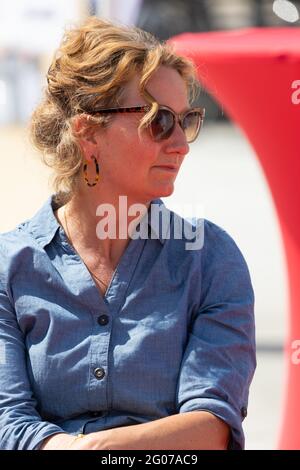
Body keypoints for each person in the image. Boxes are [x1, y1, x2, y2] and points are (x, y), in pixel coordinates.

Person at [0, 16, 256, 450]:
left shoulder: (210, 257)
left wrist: (92, 450)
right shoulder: (11, 265)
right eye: (159, 121)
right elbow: (9, 424)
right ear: (87, 132)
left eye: (186, 120)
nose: (181, 144)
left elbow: (211, 425)